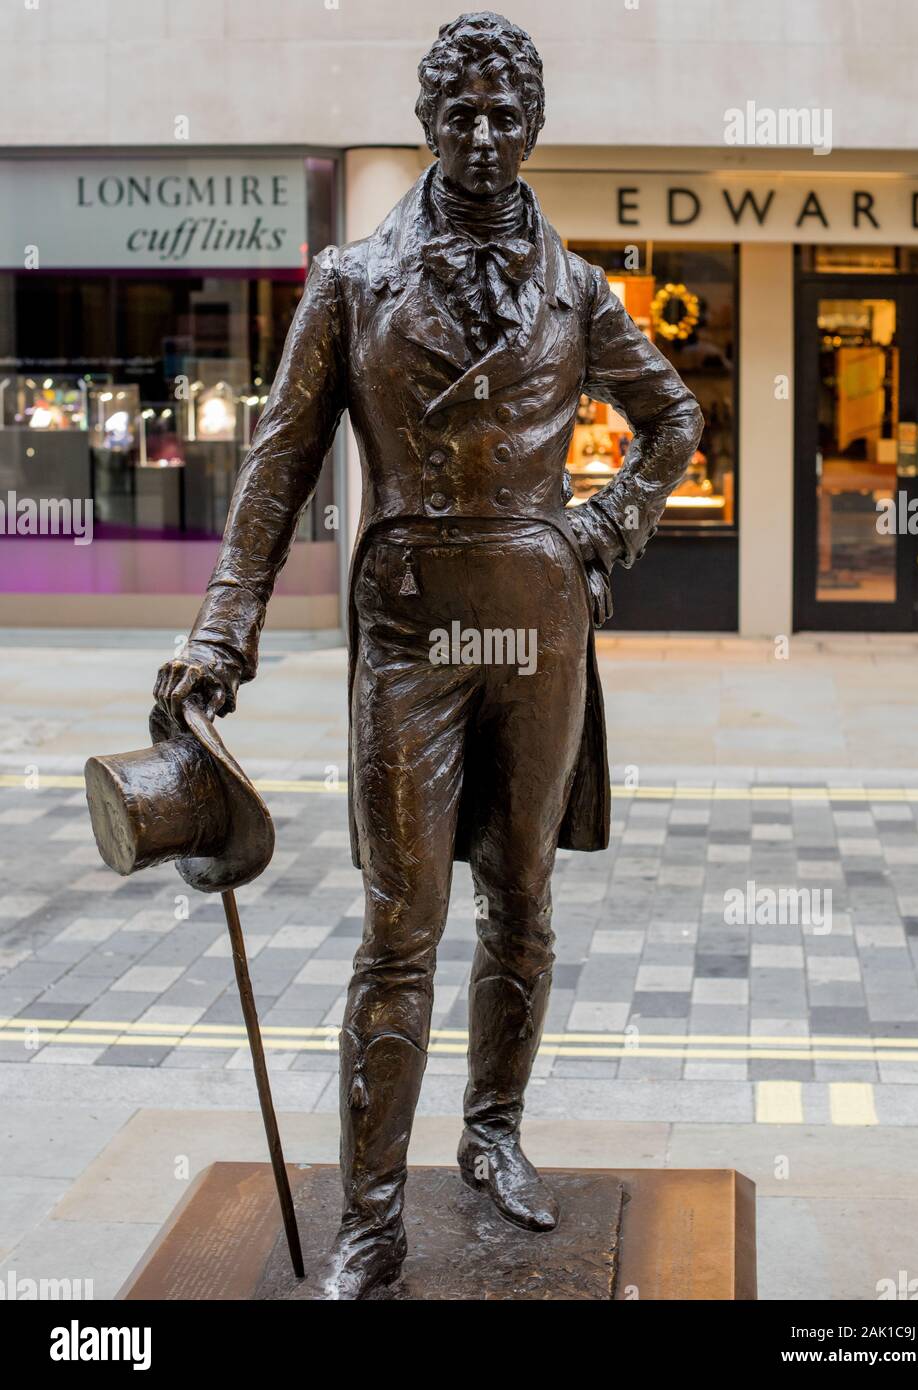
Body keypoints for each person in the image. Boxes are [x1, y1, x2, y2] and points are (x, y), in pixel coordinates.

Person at [154, 11, 703, 1300]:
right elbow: (281, 464)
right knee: (400, 925)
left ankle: (496, 1136)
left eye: (505, 113)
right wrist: (223, 624)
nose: (481, 135)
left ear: (535, 127)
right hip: (411, 631)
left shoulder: (576, 288)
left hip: (538, 621)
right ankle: (373, 1218)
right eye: (458, 111)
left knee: (522, 899)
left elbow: (673, 416)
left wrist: (603, 526)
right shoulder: (351, 280)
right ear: (425, 123)